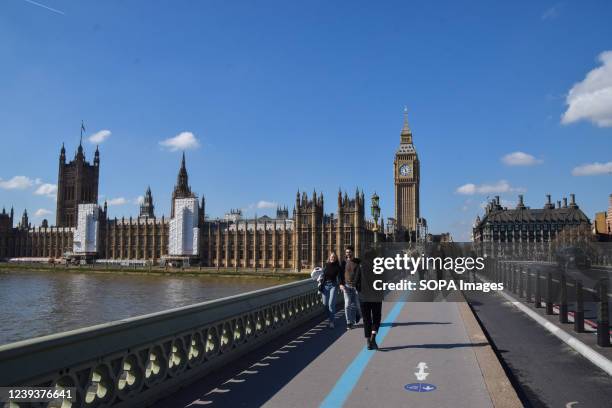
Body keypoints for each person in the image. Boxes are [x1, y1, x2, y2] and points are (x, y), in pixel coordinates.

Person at [355, 248, 383, 350]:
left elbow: (355, 281)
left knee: (366, 319)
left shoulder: (360, 266)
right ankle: (373, 337)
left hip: (364, 297)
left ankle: (368, 341)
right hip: (376, 296)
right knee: (376, 318)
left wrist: (360, 291)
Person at [340, 246, 362, 330]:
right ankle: (348, 323)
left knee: (357, 305)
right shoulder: (343, 262)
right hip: (346, 286)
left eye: (349, 252)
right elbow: (340, 274)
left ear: (352, 252)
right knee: (347, 305)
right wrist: (340, 284)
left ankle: (358, 314)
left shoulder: (358, 261)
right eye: (346, 252)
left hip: (355, 286)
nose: (348, 254)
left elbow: (361, 273)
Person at [320, 250, 343, 328]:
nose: (332, 258)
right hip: (325, 285)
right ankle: (330, 318)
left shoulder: (338, 267)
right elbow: (322, 275)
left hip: (333, 285)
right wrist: (319, 279)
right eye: (331, 257)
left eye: (334, 257)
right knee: (325, 304)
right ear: (329, 257)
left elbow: (339, 277)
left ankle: (331, 321)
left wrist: (340, 285)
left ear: (336, 258)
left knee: (331, 304)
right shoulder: (326, 265)